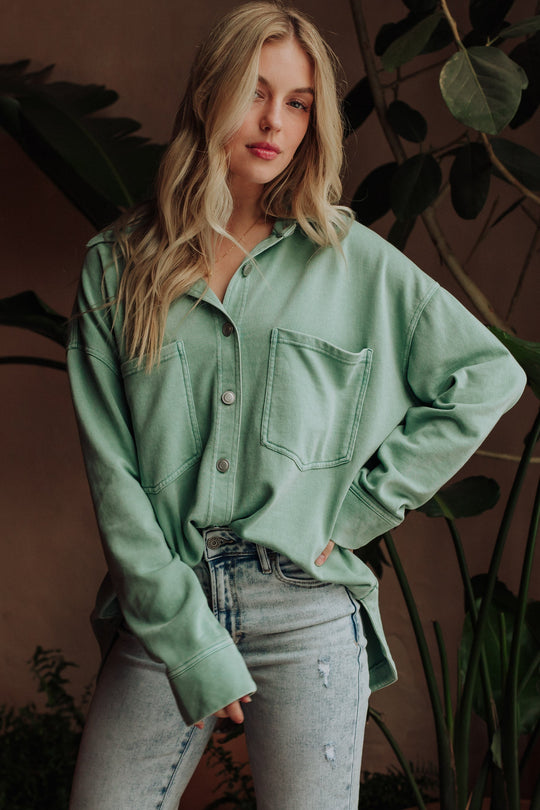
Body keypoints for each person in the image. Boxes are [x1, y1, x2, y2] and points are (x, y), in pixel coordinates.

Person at [66, 2, 526, 808]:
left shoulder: (348, 259)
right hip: (166, 604)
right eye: (255, 91)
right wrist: (186, 640)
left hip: (306, 611)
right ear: (210, 93)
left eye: (299, 102)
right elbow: (116, 479)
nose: (275, 121)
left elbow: (488, 374)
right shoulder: (117, 266)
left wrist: (356, 515)